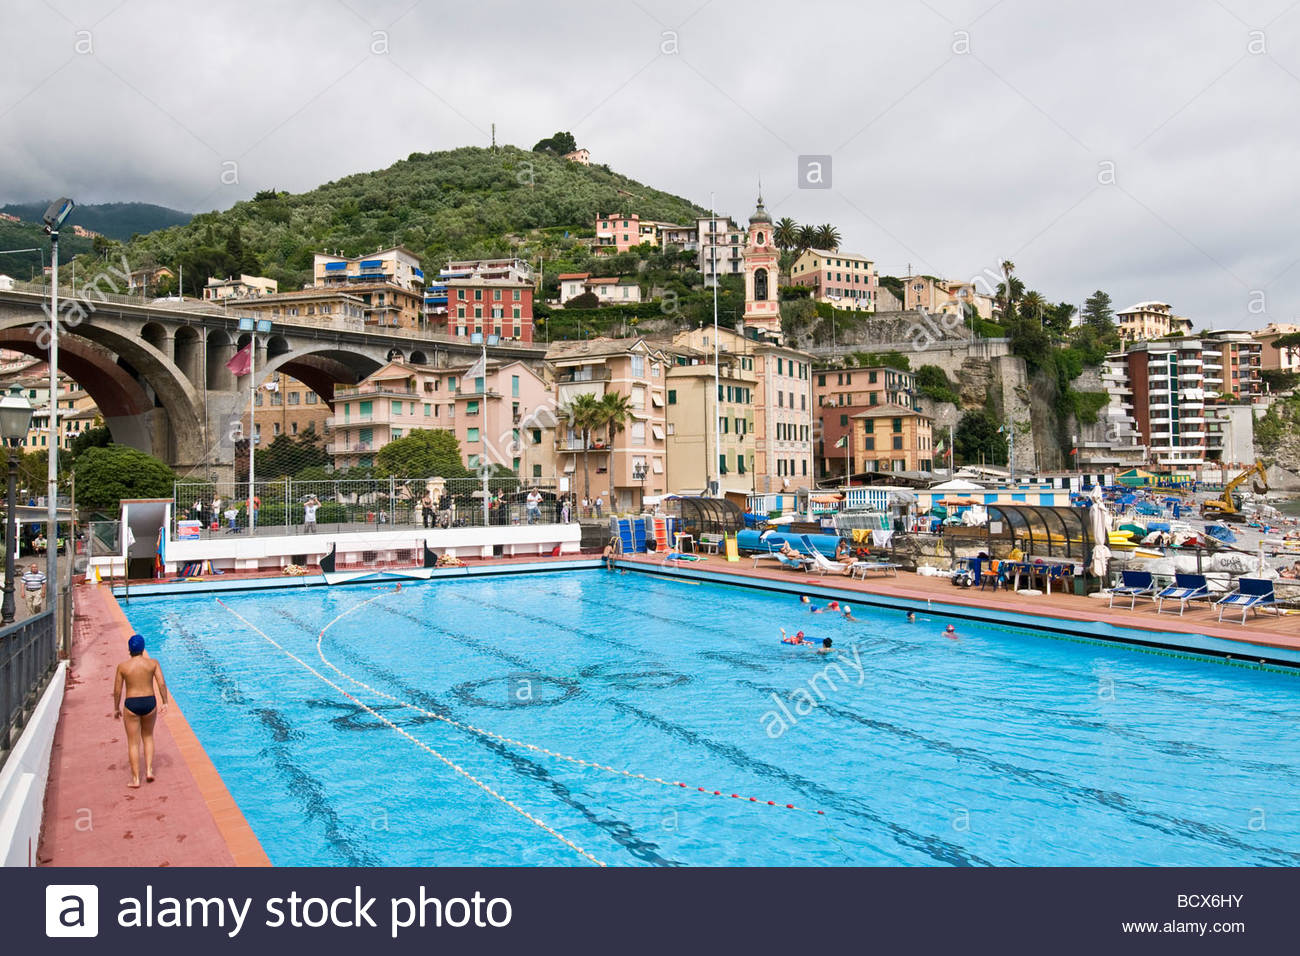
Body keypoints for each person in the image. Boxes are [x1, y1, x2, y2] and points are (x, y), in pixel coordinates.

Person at [112, 634, 169, 789]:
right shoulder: (152, 663)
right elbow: (161, 683)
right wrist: (165, 702)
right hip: (150, 702)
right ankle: (149, 771)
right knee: (148, 736)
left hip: (132, 704)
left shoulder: (123, 667)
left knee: (133, 743)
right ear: (143, 648)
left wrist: (116, 708)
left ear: (129, 649)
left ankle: (136, 779)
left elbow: (117, 690)